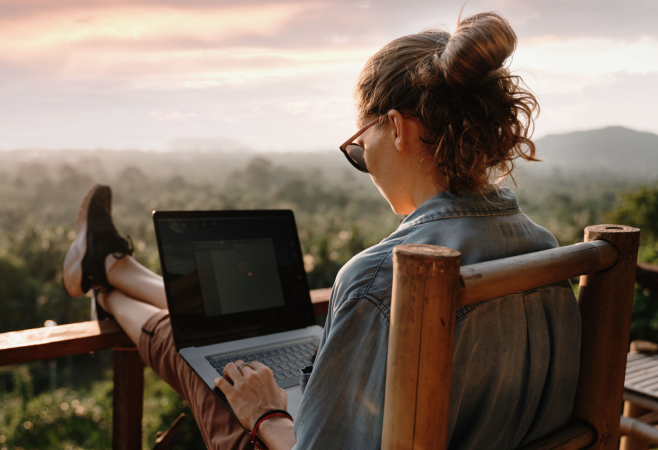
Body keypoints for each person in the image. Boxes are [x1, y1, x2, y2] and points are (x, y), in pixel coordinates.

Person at [62, 11, 580, 450]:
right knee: (218, 336)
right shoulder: (545, 252)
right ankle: (112, 269)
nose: (364, 162)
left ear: (397, 128)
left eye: (359, 145)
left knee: (202, 356)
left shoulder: (384, 277)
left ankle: (107, 284)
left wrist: (268, 414)